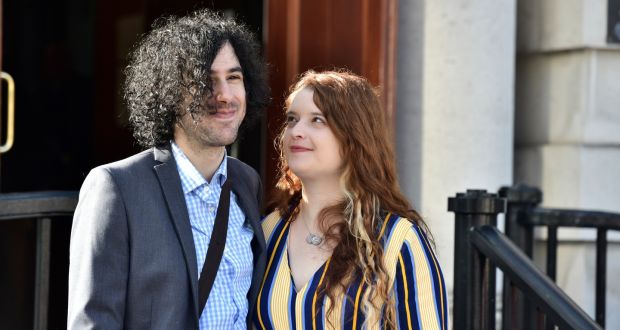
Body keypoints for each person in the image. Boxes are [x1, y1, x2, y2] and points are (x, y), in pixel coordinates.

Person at [67, 9, 269, 329]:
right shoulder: (116, 187)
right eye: (204, 80)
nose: (224, 95)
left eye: (233, 77)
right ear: (170, 94)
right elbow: (93, 321)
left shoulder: (246, 181)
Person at [254, 70, 448, 329]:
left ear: (354, 137)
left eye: (317, 120)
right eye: (292, 119)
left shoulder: (397, 241)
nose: (296, 131)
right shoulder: (269, 230)